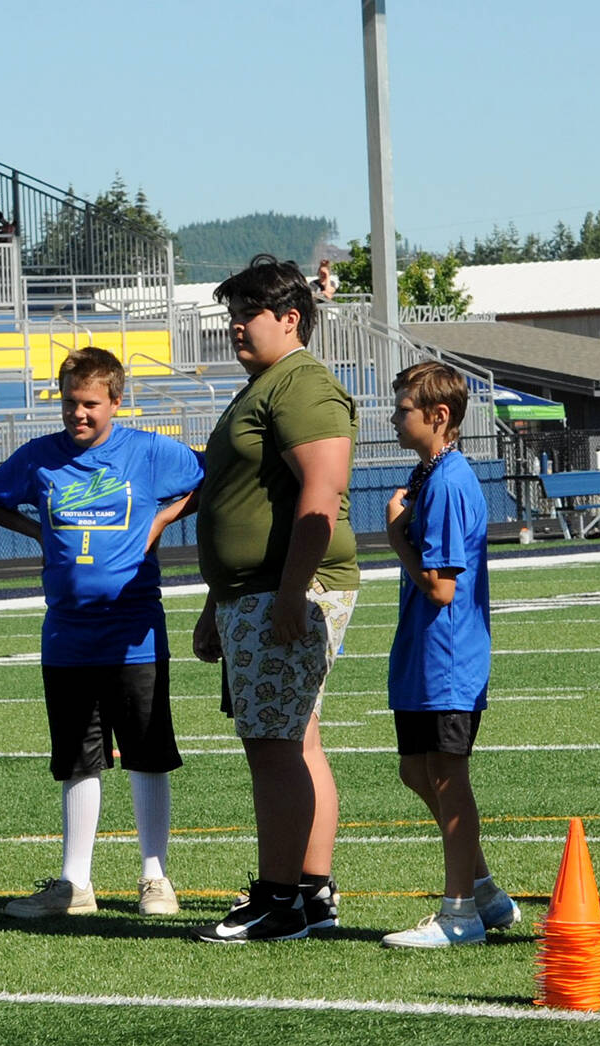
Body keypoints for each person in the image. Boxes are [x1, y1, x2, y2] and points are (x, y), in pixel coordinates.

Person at [0, 348, 203, 920]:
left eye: (91, 404)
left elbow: (209, 476)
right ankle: (74, 883)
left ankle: (155, 877)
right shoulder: (40, 457)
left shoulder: (150, 451)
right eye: (71, 402)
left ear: (117, 402)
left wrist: (165, 517)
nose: (79, 414)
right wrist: (37, 532)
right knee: (78, 760)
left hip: (135, 633)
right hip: (67, 637)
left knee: (147, 755)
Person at [190, 255, 359, 943]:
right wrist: (216, 599)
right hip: (257, 589)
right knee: (296, 740)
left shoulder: (300, 384)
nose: (234, 324)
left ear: (291, 318)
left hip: (286, 588)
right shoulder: (269, 383)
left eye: (248, 311)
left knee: (272, 745)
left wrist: (292, 591)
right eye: (232, 311)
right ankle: (309, 891)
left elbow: (322, 490)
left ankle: (280, 898)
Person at [378, 362, 521, 948]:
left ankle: (458, 910)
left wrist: (395, 542)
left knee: (447, 778)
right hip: (422, 656)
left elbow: (441, 586)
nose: (393, 419)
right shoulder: (430, 473)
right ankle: (483, 888)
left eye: (403, 409)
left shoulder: (448, 481)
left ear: (439, 417)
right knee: (417, 770)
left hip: (447, 657)